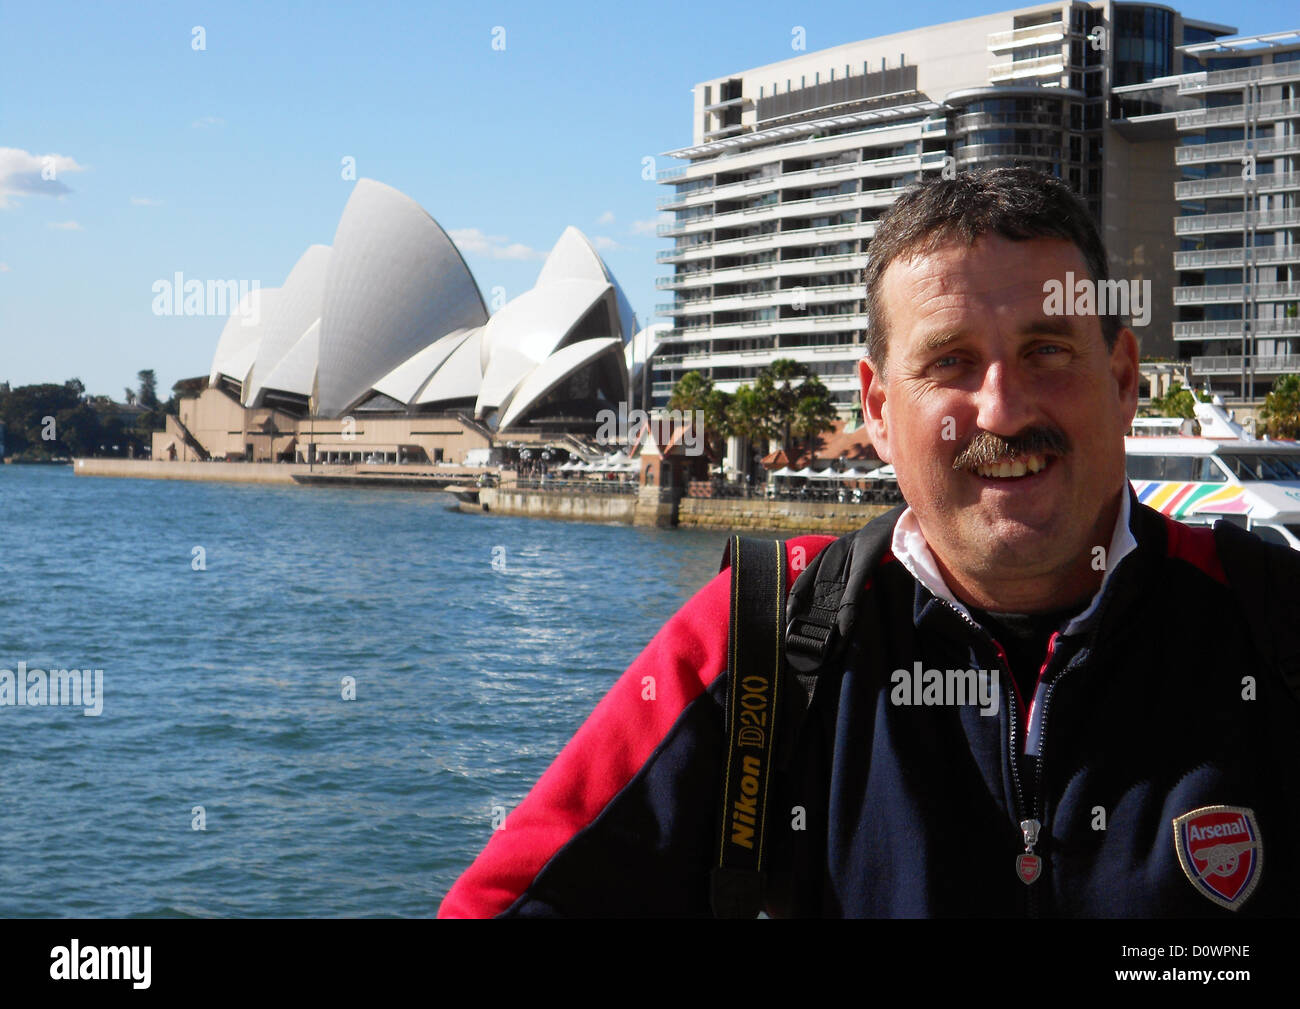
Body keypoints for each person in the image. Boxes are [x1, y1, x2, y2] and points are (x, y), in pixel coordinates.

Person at [439, 166, 1300, 918]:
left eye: (1046, 351)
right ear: (881, 411)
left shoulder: (1273, 618)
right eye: (951, 362)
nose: (1002, 410)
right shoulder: (771, 633)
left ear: (1121, 383)